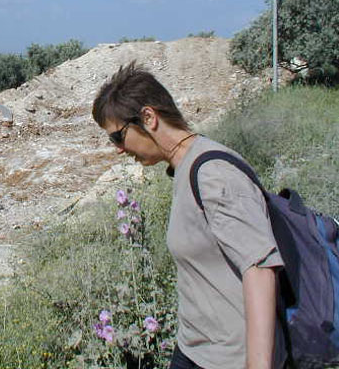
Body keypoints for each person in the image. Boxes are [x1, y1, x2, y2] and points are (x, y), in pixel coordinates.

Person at [92, 61, 286, 369]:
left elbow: (260, 267)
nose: (118, 149)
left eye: (118, 137)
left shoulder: (213, 174)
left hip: (228, 359)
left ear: (148, 118)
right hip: (195, 350)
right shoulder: (185, 167)